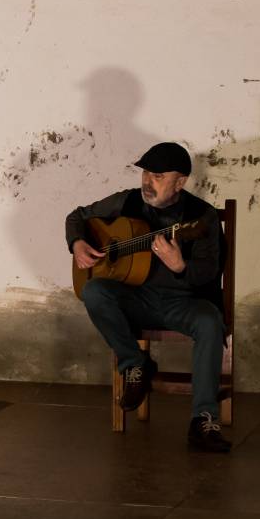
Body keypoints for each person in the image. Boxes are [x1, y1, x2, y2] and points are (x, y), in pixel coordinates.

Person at [66, 142, 232, 453]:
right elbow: (77, 216)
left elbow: (210, 271)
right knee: (94, 290)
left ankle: (204, 419)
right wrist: (77, 243)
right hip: (136, 300)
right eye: (145, 173)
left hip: (183, 303)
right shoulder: (126, 202)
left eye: (157, 175)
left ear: (180, 182)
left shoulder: (201, 218)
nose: (146, 181)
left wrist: (181, 266)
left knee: (210, 323)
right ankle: (135, 364)